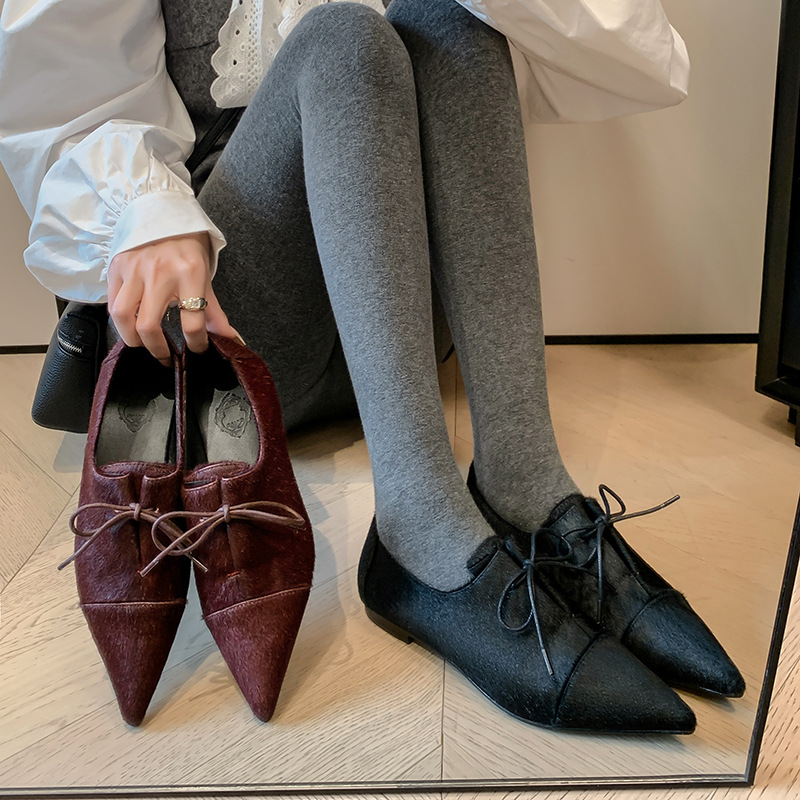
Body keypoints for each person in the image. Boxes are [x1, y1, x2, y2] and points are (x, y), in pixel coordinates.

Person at [0, 0, 741, 732]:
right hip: (226, 332)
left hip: (396, 331)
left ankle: (526, 482)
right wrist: (147, 211)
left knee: (455, 15)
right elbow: (60, 96)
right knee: (342, 37)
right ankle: (417, 529)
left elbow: (630, 54)